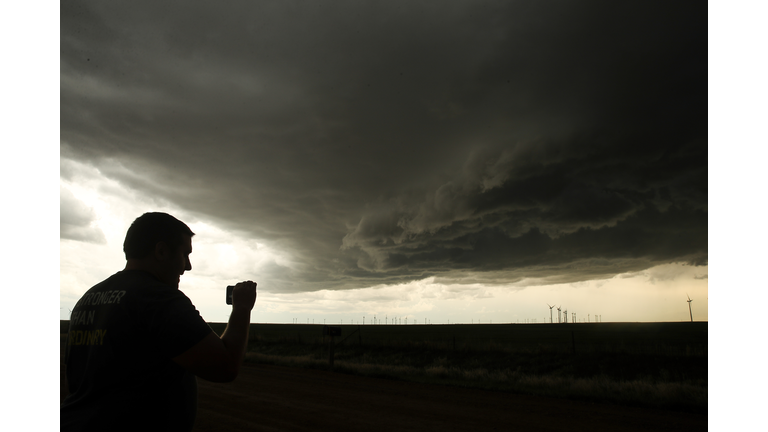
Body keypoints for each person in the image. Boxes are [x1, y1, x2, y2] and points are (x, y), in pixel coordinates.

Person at [61, 212, 257, 431]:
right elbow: (225, 366)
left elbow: (74, 383)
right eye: (185, 254)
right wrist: (242, 308)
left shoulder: (88, 298)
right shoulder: (157, 298)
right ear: (161, 251)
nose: (188, 266)